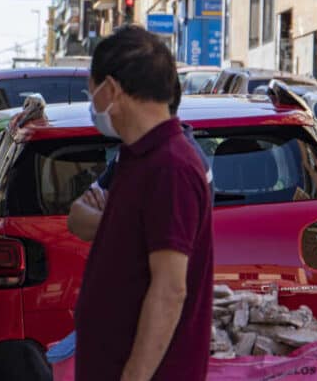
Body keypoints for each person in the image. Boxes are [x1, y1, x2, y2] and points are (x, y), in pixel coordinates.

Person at [74, 26, 213, 381]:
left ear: (111, 89)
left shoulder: (170, 167)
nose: (93, 104)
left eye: (92, 92)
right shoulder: (137, 158)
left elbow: (169, 289)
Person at [68, 78, 213, 242]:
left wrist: (109, 213)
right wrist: (126, 218)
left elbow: (160, 238)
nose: (114, 108)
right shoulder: (132, 152)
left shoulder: (178, 165)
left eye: (121, 98)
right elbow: (75, 218)